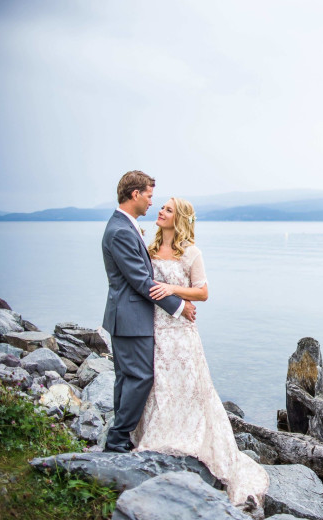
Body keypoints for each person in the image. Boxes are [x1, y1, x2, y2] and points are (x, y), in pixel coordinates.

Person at [130, 197, 269, 515]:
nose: (160, 211)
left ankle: (197, 445)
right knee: (158, 384)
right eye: (161, 206)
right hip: (154, 328)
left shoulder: (191, 252)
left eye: (167, 209)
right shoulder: (149, 250)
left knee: (190, 387)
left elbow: (203, 292)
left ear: (178, 219)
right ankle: (152, 435)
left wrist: (172, 290)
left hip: (181, 332)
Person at [101, 170, 197, 454]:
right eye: (149, 196)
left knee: (126, 377)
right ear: (135, 195)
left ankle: (119, 435)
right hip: (131, 319)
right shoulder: (120, 231)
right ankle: (118, 438)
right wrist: (180, 307)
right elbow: (141, 281)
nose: (151, 203)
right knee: (141, 376)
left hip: (128, 318)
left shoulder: (124, 226)